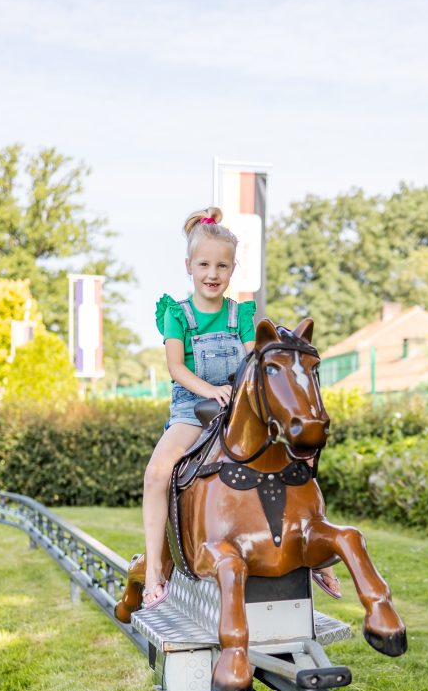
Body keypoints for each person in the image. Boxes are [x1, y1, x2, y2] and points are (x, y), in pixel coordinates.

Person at [141, 205, 341, 610]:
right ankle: (152, 572)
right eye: (204, 265)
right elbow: (176, 367)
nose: (212, 274)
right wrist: (211, 390)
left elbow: (254, 362)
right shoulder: (176, 314)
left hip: (238, 411)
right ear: (188, 266)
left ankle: (318, 555)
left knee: (293, 461)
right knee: (157, 473)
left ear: (233, 270)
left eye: (222, 266)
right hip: (192, 409)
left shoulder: (242, 314)